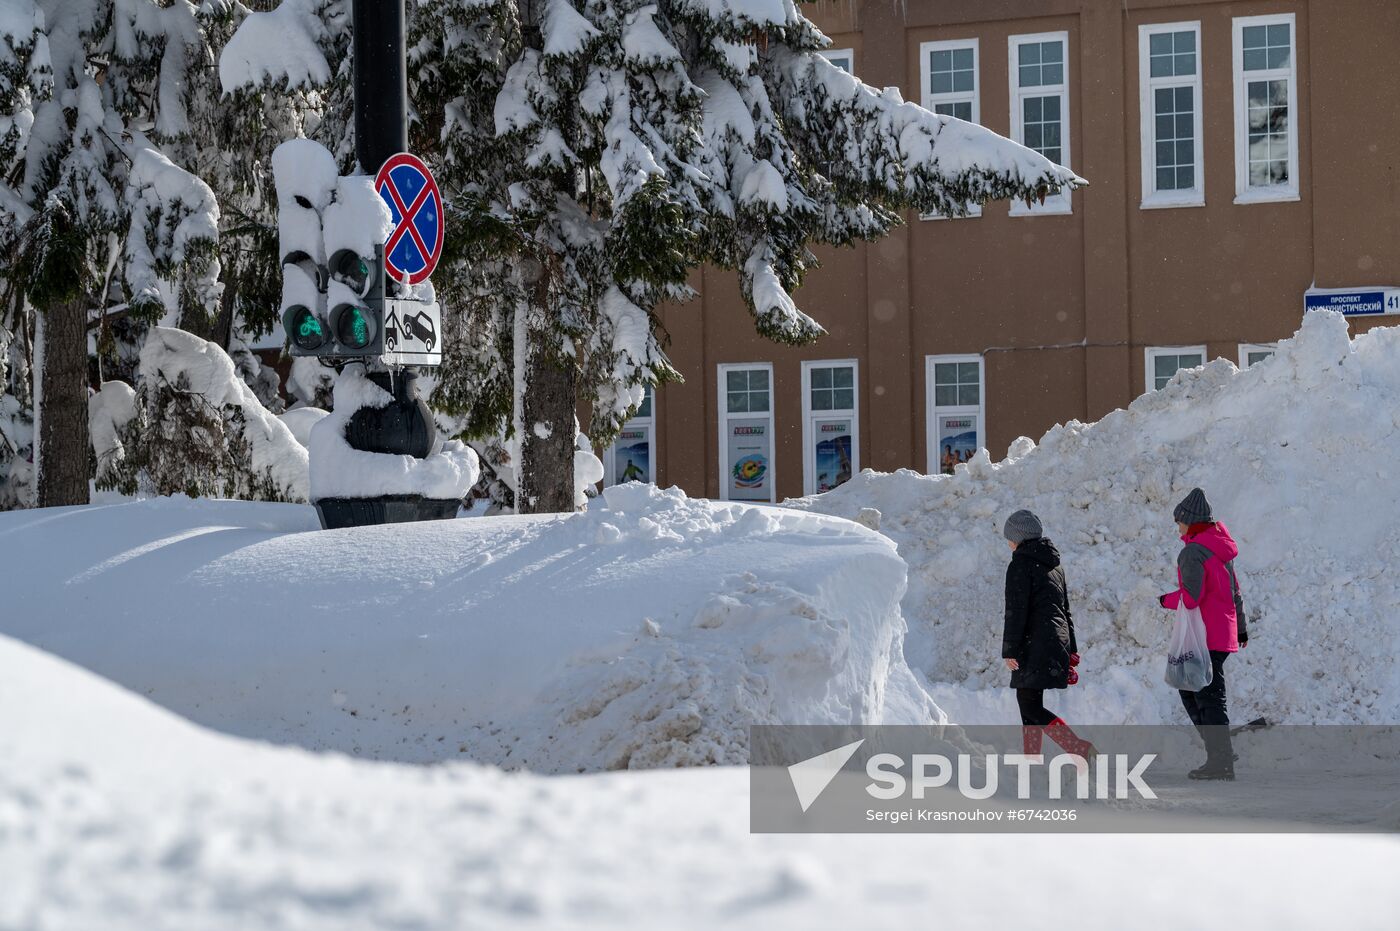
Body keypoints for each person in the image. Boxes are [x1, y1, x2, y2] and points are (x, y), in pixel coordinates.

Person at [1159, 487, 1248, 781]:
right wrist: (1242, 629)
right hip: (1223, 631)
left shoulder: (1192, 552)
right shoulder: (1221, 549)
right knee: (1195, 690)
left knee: (1207, 696)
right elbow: (1235, 592)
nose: (1178, 528)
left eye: (1179, 522)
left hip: (1205, 634)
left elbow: (1191, 597)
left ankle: (1220, 762)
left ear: (1190, 522)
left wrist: (1163, 600)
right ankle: (1220, 750)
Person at [1002, 510, 1094, 759]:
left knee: (1030, 705)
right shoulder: (1054, 565)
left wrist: (1010, 650)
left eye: (1009, 537)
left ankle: (1077, 748)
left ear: (1018, 538)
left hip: (1033, 643)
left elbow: (1016, 610)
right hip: (1053, 641)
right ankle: (1032, 759)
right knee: (1030, 702)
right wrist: (1071, 647)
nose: (1008, 543)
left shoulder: (1020, 564)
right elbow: (1065, 610)